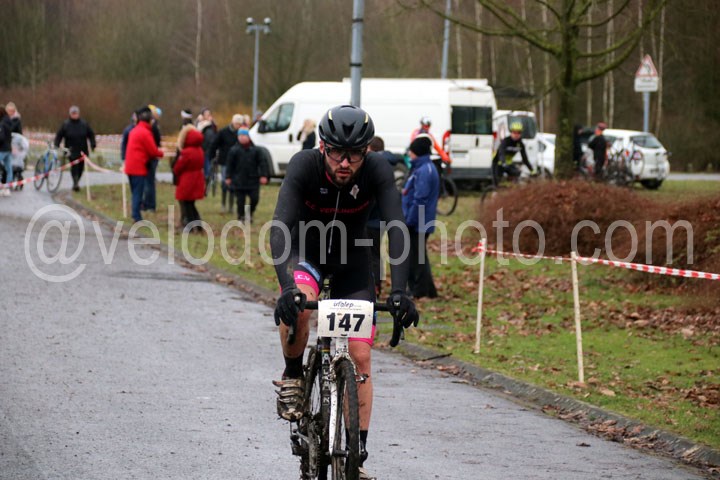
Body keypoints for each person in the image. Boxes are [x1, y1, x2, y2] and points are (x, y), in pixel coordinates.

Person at [270, 105, 418, 480]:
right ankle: (293, 375)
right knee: (301, 306)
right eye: (337, 152)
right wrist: (287, 287)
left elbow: (397, 226)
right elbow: (280, 226)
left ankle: (357, 453)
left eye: (355, 154)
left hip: (354, 259)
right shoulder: (304, 165)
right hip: (307, 252)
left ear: (367, 151)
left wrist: (401, 290)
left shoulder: (377, 169)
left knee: (361, 355)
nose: (345, 163)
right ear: (323, 147)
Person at [402, 135, 440, 299]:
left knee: (417, 259)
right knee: (418, 256)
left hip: (419, 222)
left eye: (411, 151)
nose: (409, 154)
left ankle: (419, 290)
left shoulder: (425, 170)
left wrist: (410, 221)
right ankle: (428, 290)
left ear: (416, 152)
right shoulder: (421, 168)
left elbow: (420, 199)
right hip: (417, 220)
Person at [366, 136, 401, 295]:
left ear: (372, 149)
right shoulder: (389, 164)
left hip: (372, 219)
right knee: (376, 253)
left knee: (371, 254)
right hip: (382, 218)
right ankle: (377, 283)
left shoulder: (375, 167)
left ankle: (374, 284)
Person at [124, 106, 164, 222]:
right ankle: (136, 216)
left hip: (130, 166)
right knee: (138, 192)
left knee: (134, 191)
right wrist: (162, 153)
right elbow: (152, 151)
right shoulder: (146, 133)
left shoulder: (134, 130)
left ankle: (135, 212)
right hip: (139, 166)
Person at [225, 128, 268, 222]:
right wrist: (228, 177)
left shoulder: (256, 150)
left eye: (243, 135)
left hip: (253, 180)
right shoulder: (233, 150)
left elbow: (262, 163)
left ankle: (250, 213)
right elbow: (229, 165)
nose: (241, 138)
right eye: (240, 136)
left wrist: (263, 175)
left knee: (254, 199)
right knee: (240, 201)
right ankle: (241, 216)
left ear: (248, 137)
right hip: (239, 180)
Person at [54, 105, 96, 192]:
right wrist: (57, 144)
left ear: (78, 114)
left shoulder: (84, 124)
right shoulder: (66, 124)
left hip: (82, 150)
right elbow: (59, 135)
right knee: (74, 166)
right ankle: (75, 182)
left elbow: (91, 134)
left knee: (81, 167)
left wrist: (93, 144)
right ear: (70, 114)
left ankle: (77, 180)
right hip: (71, 150)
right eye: (73, 113)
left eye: (76, 113)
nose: (74, 115)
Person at [209, 114, 244, 213]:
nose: (238, 126)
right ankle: (223, 205)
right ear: (233, 122)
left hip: (237, 163)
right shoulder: (223, 132)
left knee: (233, 184)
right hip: (225, 161)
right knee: (225, 183)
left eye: (240, 124)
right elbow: (214, 144)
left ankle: (231, 206)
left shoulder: (241, 134)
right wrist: (211, 156)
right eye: (237, 124)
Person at [173, 127, 205, 231]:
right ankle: (198, 225)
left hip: (187, 180)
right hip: (197, 179)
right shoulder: (200, 150)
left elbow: (178, 167)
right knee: (191, 204)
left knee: (187, 204)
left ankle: (190, 226)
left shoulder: (186, 152)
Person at [491, 121, 533, 186]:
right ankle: (497, 190)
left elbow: (525, 158)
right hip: (498, 163)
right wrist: (503, 162)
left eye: (518, 133)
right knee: (497, 183)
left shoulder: (520, 144)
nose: (516, 135)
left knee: (517, 173)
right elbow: (501, 153)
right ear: (511, 132)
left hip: (508, 163)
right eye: (514, 132)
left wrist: (532, 170)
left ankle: (511, 188)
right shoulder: (505, 141)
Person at [143, 104, 163, 212]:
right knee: (147, 181)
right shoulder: (152, 126)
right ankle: (147, 203)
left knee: (149, 182)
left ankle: (150, 205)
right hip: (150, 156)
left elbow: (157, 141)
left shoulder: (153, 127)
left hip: (152, 157)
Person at [196, 107, 217, 180]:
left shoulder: (212, 124)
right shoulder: (199, 124)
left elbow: (215, 133)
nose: (208, 115)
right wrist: (198, 121)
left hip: (209, 148)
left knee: (208, 166)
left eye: (209, 114)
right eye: (206, 114)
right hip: (202, 148)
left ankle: (208, 178)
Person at [0, 106, 13, 196]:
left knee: (7, 168)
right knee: (9, 169)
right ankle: (7, 188)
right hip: (8, 148)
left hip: (2, 149)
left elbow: (1, 137)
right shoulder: (8, 121)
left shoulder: (2, 123)